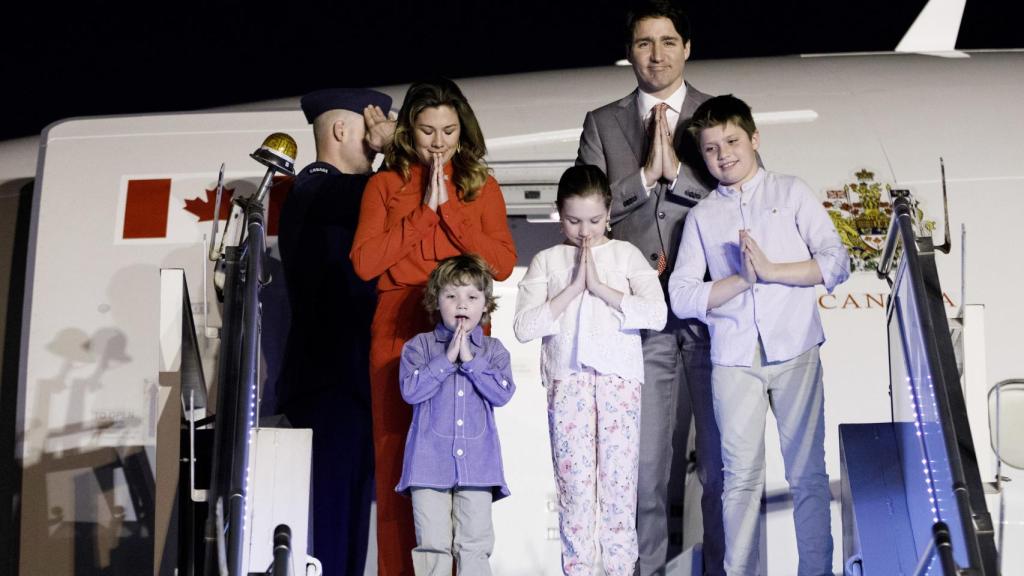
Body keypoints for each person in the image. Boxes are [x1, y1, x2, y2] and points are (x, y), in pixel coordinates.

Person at [668, 94, 849, 574]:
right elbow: (682, 296)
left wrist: (770, 271)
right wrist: (742, 282)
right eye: (711, 148)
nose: (723, 154)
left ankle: (817, 571)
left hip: (795, 348)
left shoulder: (790, 192)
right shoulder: (703, 216)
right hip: (733, 359)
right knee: (740, 480)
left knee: (807, 475)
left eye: (731, 141)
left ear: (754, 139)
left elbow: (836, 261)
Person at [575, 1, 723, 573]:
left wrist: (679, 177)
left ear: (687, 47)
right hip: (639, 321)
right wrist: (642, 178)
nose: (656, 55)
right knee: (645, 471)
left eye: (667, 42)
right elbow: (587, 212)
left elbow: (740, 198)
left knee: (717, 465)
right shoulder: (603, 122)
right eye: (643, 43)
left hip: (709, 314)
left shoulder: (717, 113)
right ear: (629, 52)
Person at [350, 78, 517, 576]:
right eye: (426, 131)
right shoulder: (384, 184)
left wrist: (449, 212)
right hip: (399, 325)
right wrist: (422, 215)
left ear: (463, 131)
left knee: (464, 455)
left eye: (448, 130)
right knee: (399, 460)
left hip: (462, 325)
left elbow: (503, 264)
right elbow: (362, 263)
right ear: (407, 131)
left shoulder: (480, 185)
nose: (438, 142)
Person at [514, 165, 667, 576]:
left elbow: (657, 313)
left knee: (618, 490)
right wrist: (571, 290)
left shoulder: (626, 255)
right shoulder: (547, 261)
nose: (585, 231)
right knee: (576, 491)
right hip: (568, 383)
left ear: (610, 212)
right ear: (558, 213)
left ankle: (621, 570)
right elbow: (524, 327)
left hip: (619, 383)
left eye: (595, 221)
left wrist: (602, 289)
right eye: (574, 220)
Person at [276, 87, 395, 576]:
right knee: (331, 527)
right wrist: (399, 147)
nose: (378, 138)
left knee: (348, 526)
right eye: (372, 127)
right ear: (342, 131)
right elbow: (393, 192)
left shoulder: (340, 195)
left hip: (350, 386)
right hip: (332, 388)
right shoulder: (318, 188)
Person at [396, 254, 515, 575]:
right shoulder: (418, 347)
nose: (462, 304)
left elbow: (503, 392)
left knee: (474, 546)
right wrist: (447, 359)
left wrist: (470, 360)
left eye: (472, 297)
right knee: (433, 547)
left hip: (479, 470)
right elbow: (411, 391)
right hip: (427, 468)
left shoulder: (494, 350)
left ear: (485, 305)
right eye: (451, 296)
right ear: (437, 301)